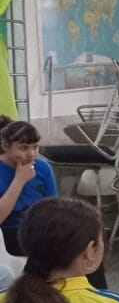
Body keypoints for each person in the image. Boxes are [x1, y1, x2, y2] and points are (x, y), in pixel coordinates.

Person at [0, 117, 107, 288]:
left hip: (42, 227)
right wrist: (19, 180)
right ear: (6, 146)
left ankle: (97, 294)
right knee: (61, 251)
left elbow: (53, 207)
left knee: (85, 243)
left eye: (35, 147)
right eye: (23, 148)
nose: (31, 154)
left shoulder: (42, 167)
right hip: (11, 231)